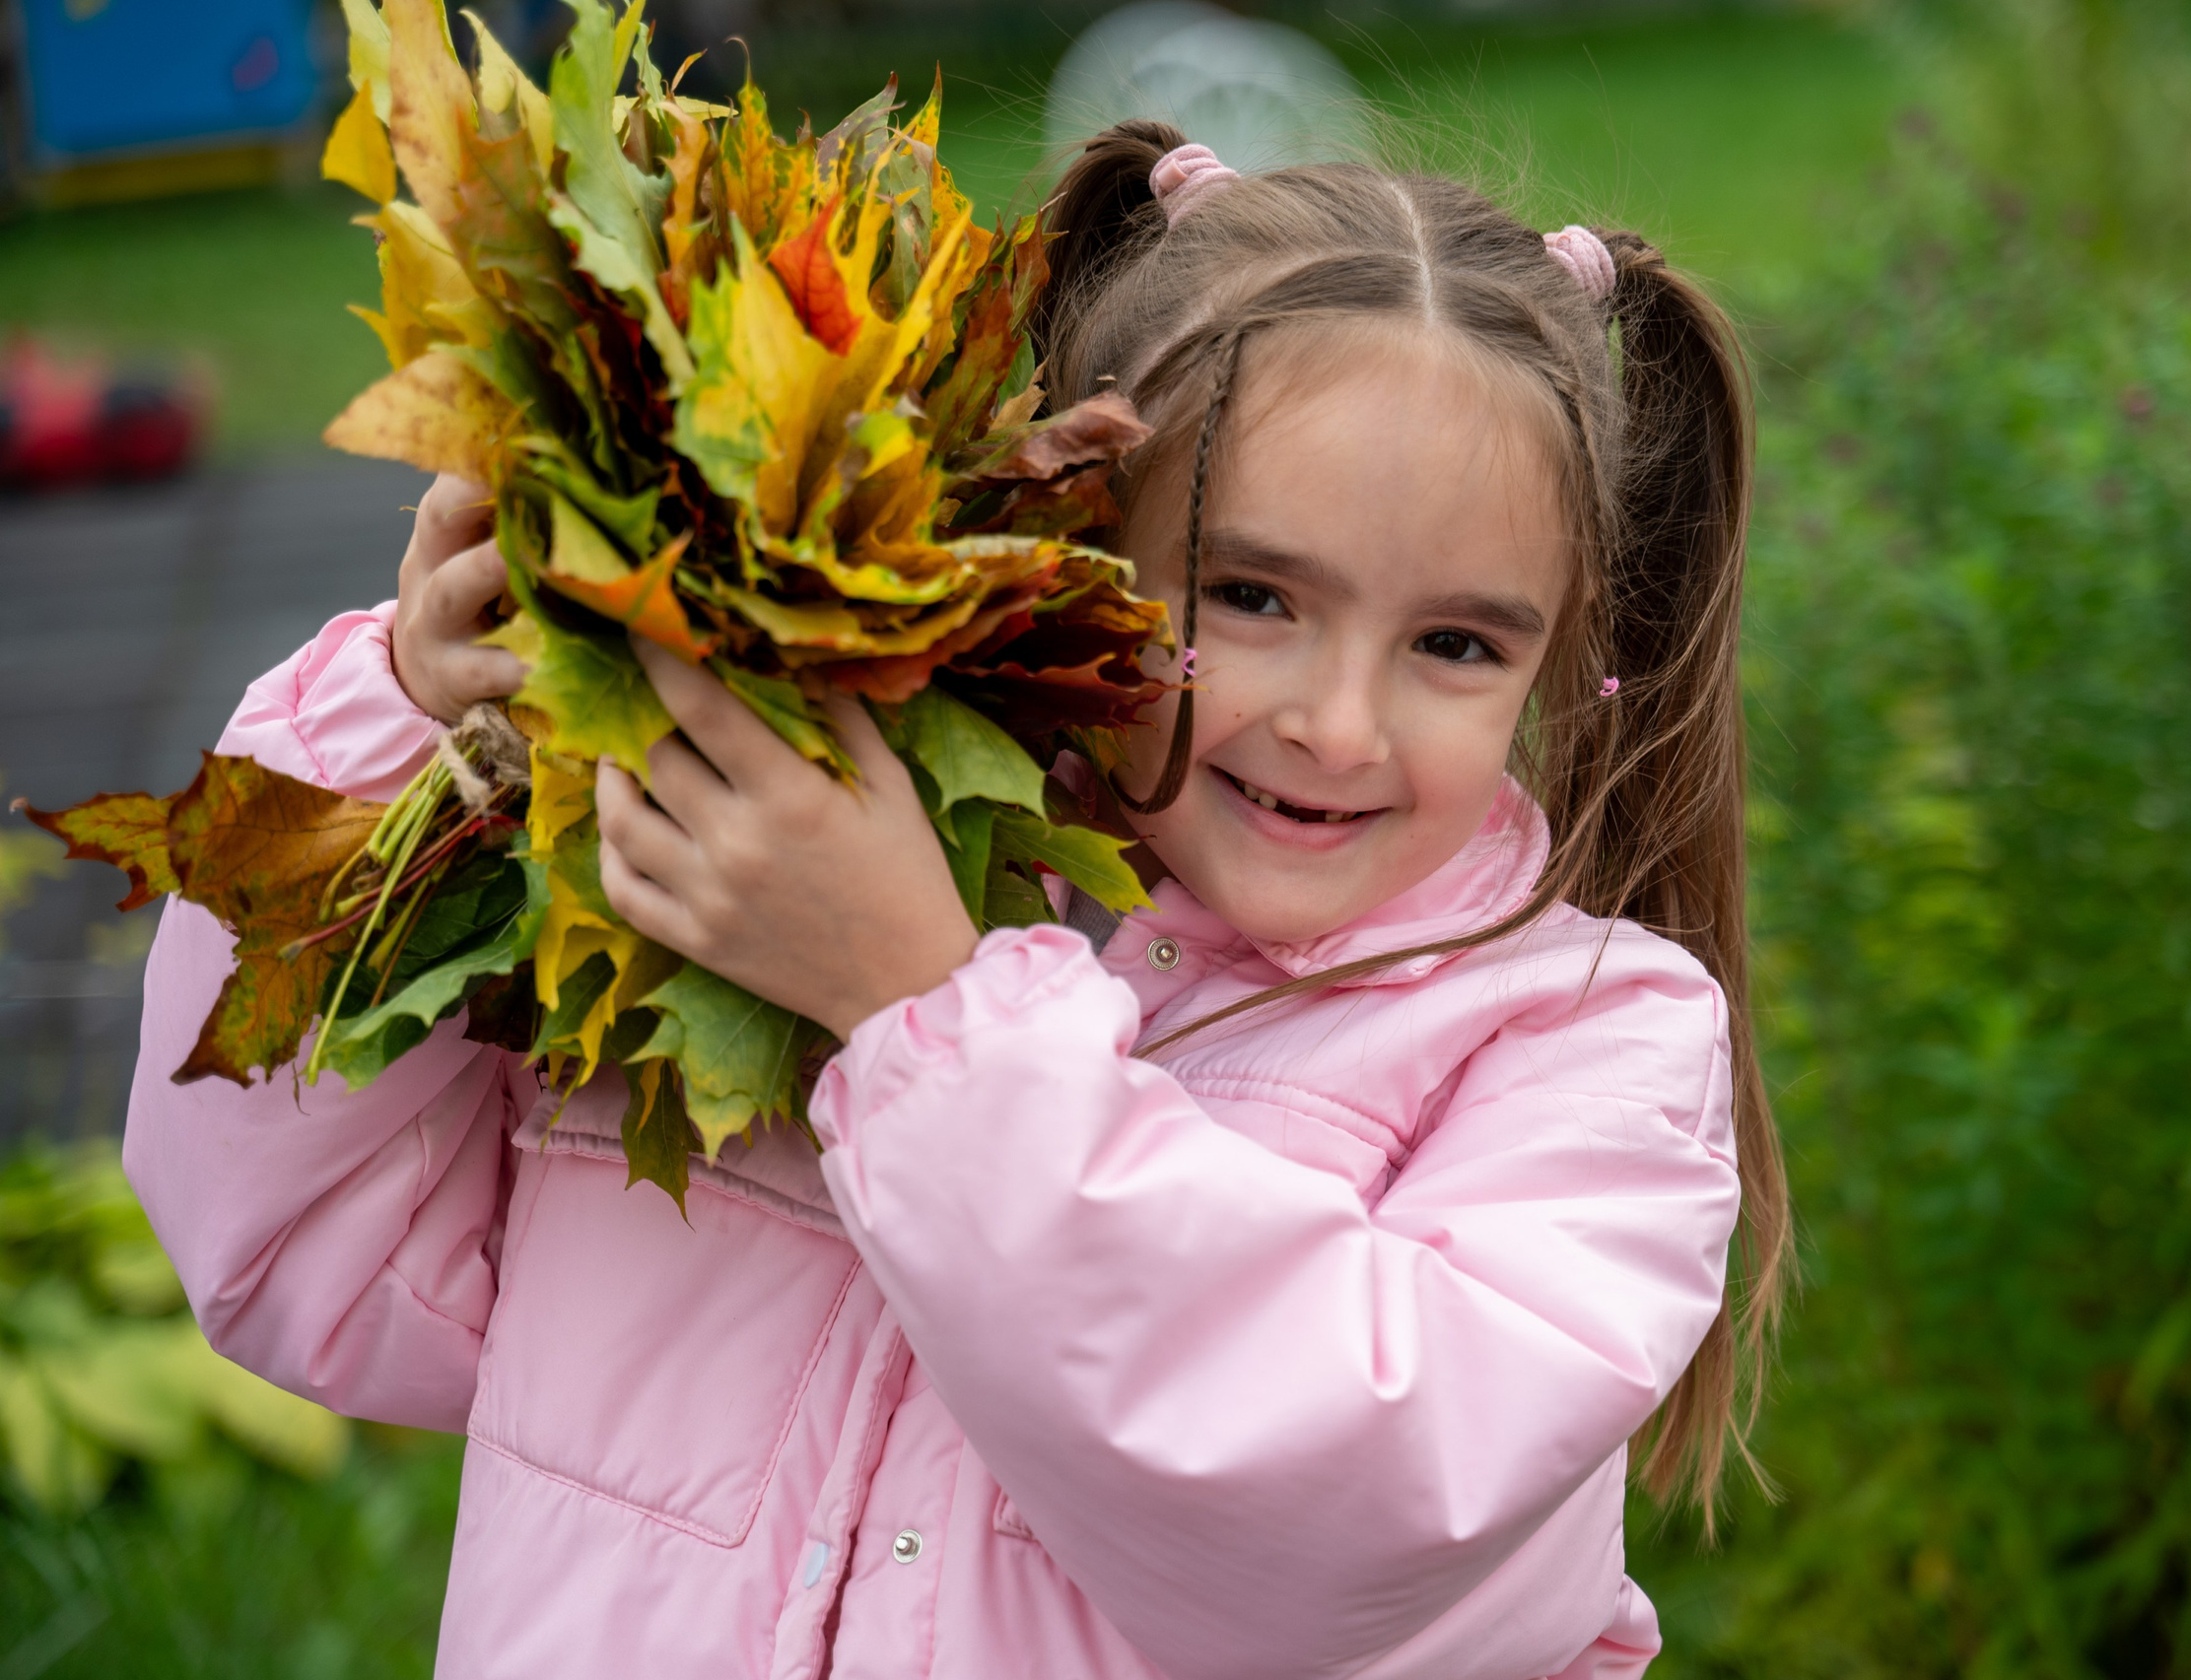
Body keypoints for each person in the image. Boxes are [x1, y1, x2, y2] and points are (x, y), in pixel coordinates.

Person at [124, 122, 1791, 1680]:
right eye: (1254, 595)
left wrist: (922, 1011)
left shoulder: (1580, 1044)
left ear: (1565, 658)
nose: (1339, 722)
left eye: (1456, 643)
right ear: (1060, 533)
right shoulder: (742, 872)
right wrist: (430, 735)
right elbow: (293, 1250)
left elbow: (1356, 1527)